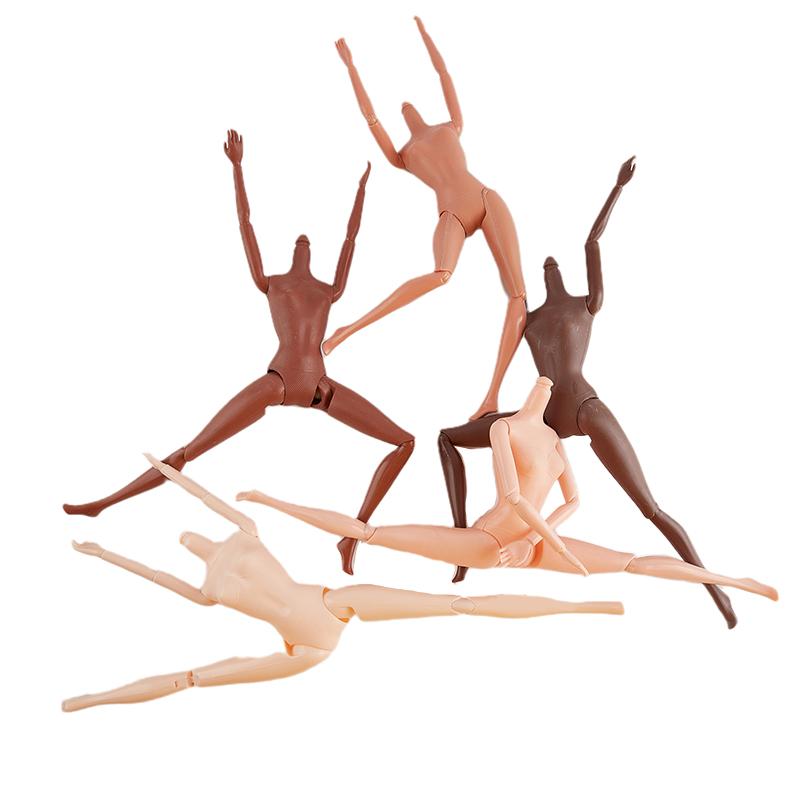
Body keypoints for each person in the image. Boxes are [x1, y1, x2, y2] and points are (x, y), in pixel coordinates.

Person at [64, 131, 413, 574]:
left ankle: (353, 535)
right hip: (287, 381)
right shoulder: (283, 284)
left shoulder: (324, 288)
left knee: (405, 441)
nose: (303, 244)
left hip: (314, 384)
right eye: (300, 244)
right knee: (191, 450)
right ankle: (106, 503)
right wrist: (237, 167)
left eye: (305, 244)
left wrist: (362, 190)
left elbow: (351, 238)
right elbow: (247, 225)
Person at [62, 456, 623, 712]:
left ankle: (588, 607)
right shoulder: (204, 589)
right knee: (193, 679)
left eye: (187, 537)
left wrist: (173, 473)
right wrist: (104, 553)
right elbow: (154, 576)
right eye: (185, 542)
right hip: (307, 648)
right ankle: (90, 700)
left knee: (457, 604)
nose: (188, 541)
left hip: (335, 604)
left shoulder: (244, 532)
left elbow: (207, 499)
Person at [240, 379, 778, 613]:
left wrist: (546, 542)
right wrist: (546, 542)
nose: (543, 386)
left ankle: (728, 580)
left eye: (548, 387)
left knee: (632, 563)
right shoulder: (505, 428)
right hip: (491, 542)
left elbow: (572, 503)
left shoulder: (554, 441)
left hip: (529, 544)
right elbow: (516, 498)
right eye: (539, 384)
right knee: (372, 534)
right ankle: (272, 500)